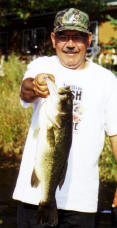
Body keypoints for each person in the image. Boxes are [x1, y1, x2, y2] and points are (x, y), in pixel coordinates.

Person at [13, 8, 117, 228]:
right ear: (53, 39)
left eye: (77, 37)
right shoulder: (41, 65)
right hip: (33, 197)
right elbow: (25, 91)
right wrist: (35, 85)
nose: (70, 44)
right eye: (63, 36)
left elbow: (116, 134)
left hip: (82, 201)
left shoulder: (107, 80)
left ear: (89, 39)